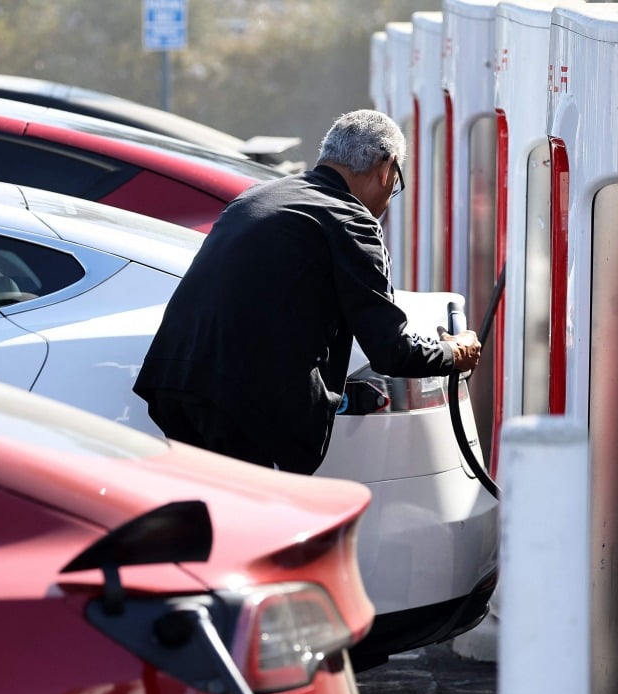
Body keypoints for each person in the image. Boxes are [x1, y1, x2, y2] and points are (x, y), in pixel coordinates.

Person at [133, 109, 482, 474]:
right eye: (396, 182)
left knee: (217, 515)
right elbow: (390, 350)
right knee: (263, 520)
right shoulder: (350, 219)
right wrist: (453, 353)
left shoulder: (257, 196)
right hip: (243, 403)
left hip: (173, 382)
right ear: (386, 167)